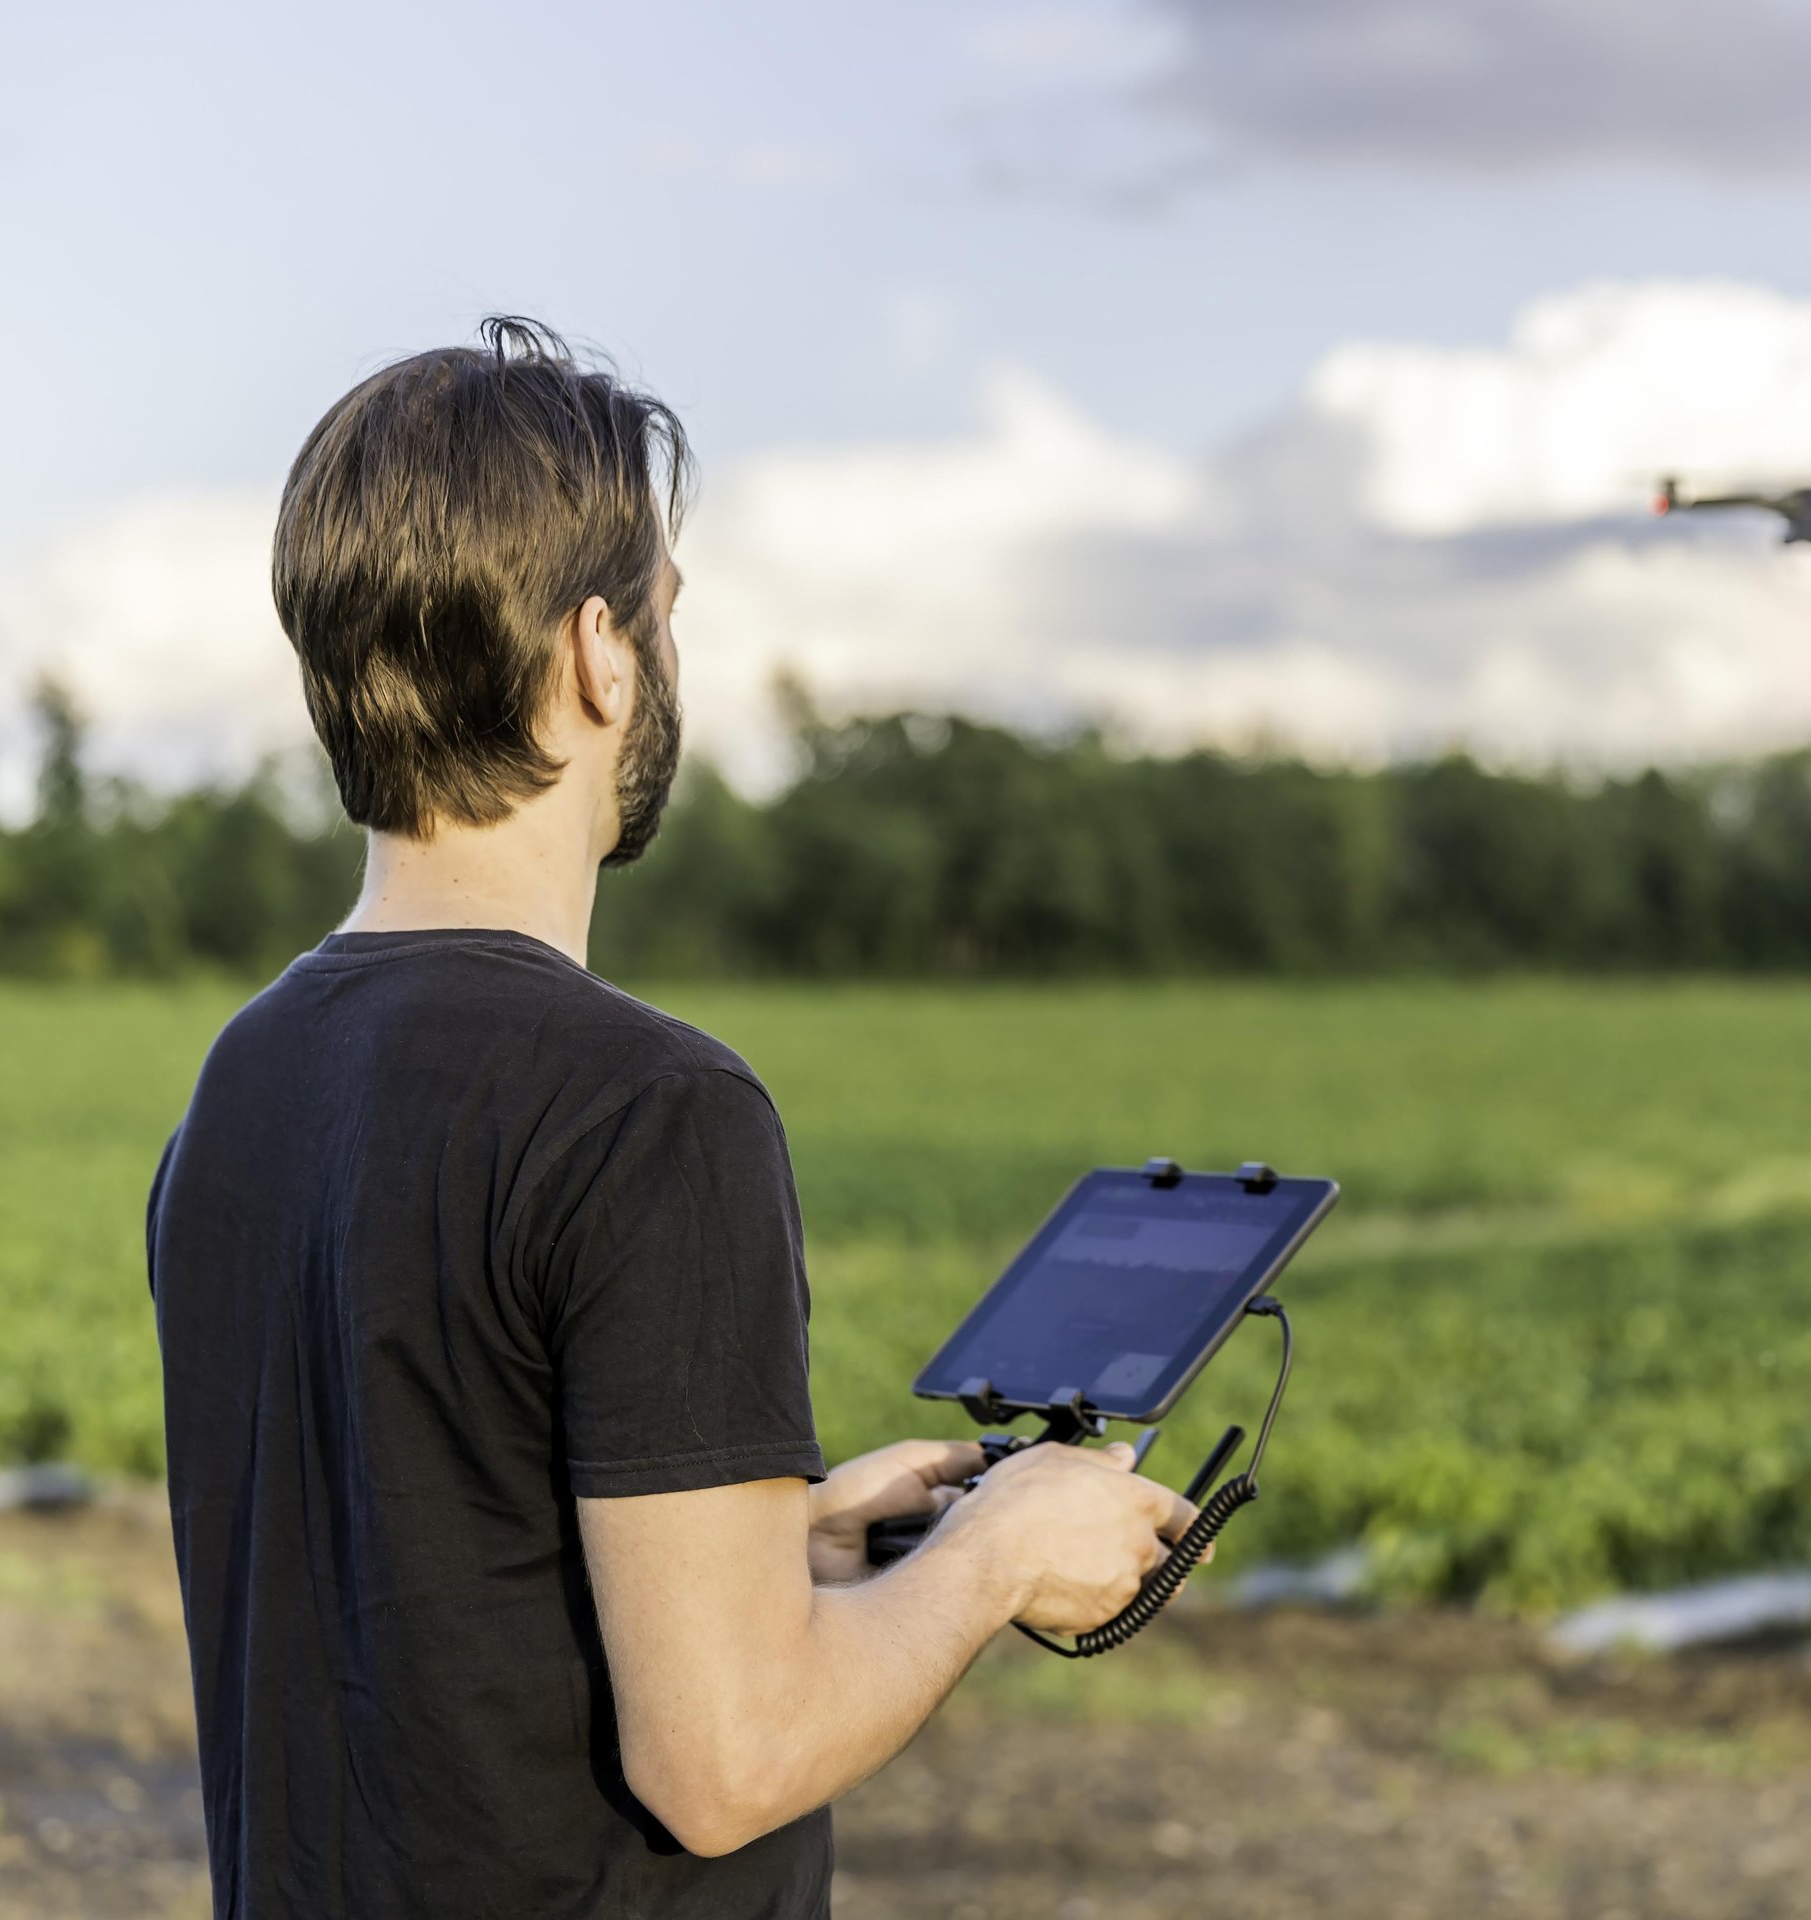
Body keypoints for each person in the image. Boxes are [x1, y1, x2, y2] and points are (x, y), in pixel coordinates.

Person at [145, 318, 1195, 1918]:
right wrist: (998, 1553)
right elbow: (723, 1763)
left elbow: (432, 1593)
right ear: (599, 654)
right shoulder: (653, 1113)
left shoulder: (241, 1086)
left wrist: (798, 1548)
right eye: (666, 615)